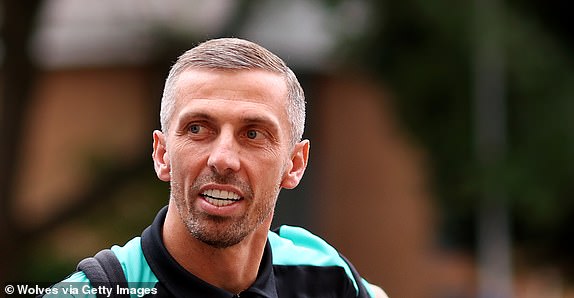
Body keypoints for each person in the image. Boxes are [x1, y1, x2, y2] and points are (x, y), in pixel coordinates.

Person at [48, 37, 388, 297]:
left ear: (295, 164)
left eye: (253, 133)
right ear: (162, 154)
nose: (223, 158)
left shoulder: (324, 276)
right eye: (197, 128)